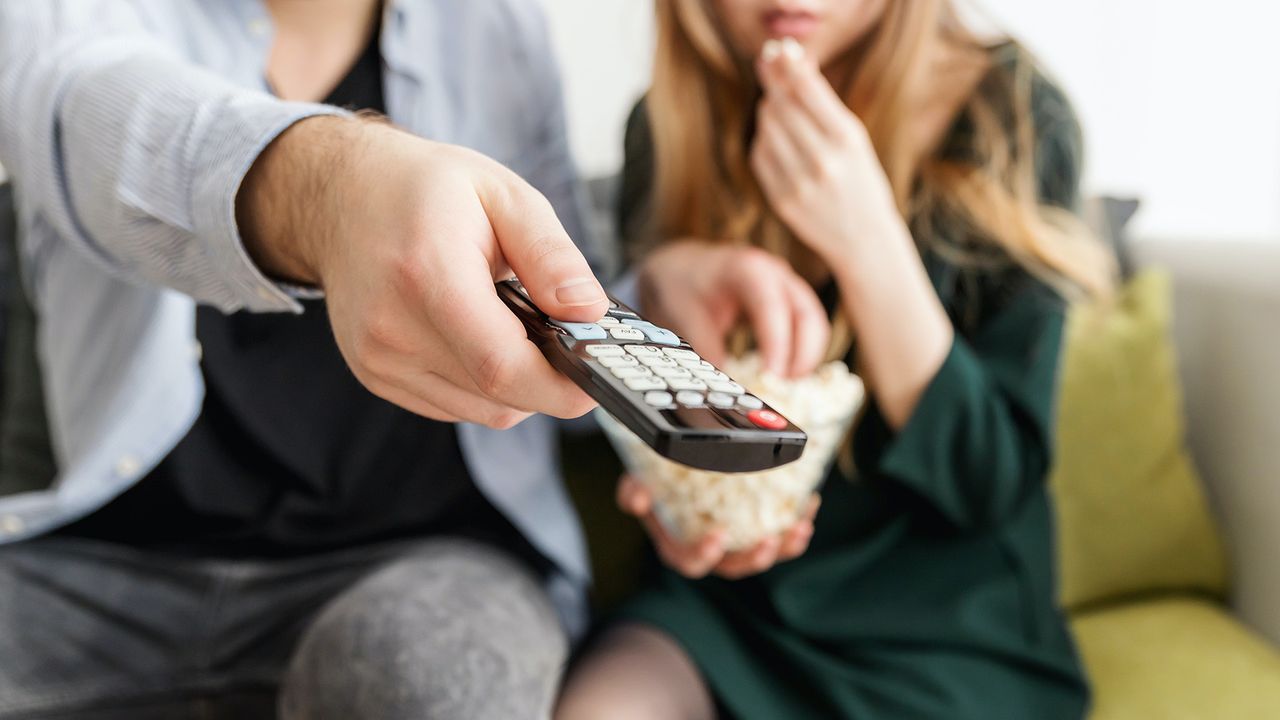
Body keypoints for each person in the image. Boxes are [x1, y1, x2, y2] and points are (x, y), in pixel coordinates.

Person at [0, 1, 656, 718]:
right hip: (109, 567)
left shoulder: (496, 24)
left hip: (429, 562)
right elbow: (95, 112)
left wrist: (659, 287)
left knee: (428, 682)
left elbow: (562, 301)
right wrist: (333, 193)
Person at [556, 1, 1115, 718]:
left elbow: (990, 480)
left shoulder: (1012, 113)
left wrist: (869, 241)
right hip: (728, 611)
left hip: (945, 628)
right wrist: (684, 503)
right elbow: (675, 434)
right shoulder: (666, 128)